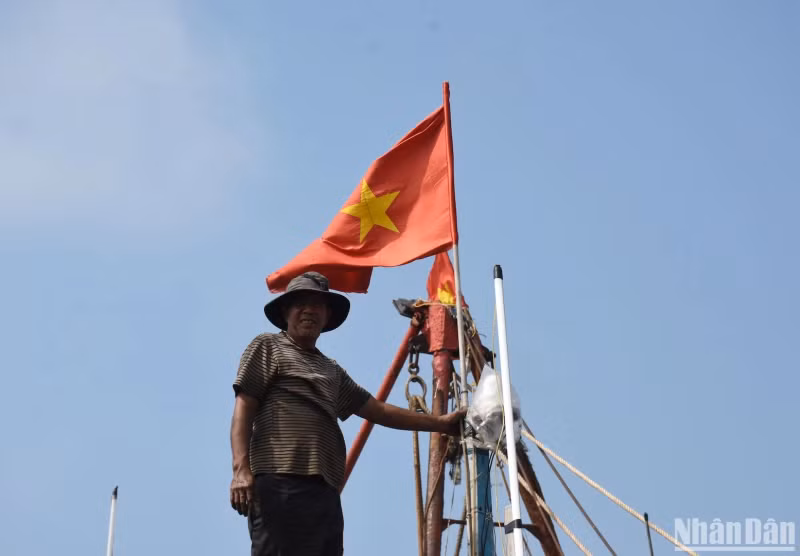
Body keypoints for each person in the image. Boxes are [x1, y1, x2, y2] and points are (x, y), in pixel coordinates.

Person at [230, 271, 466, 556]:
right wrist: (241, 470)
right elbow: (244, 405)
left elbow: (377, 410)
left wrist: (441, 424)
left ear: (327, 315)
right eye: (301, 303)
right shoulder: (268, 347)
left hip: (325, 491)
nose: (309, 310)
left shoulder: (331, 370)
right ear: (285, 311)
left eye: (317, 304)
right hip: (281, 480)